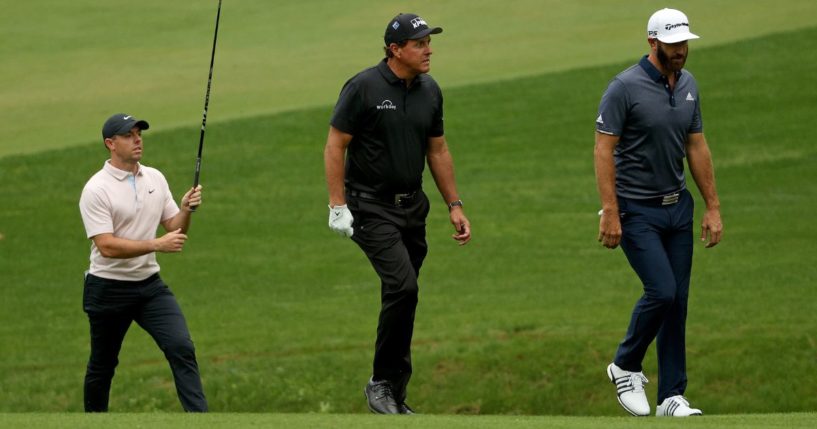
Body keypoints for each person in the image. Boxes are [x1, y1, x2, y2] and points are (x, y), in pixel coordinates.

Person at [323, 13, 471, 414]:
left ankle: (394, 392)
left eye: (428, 42)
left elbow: (437, 150)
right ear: (395, 49)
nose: (428, 50)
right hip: (369, 206)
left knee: (404, 296)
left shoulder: (429, 90)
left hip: (413, 207)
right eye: (420, 43)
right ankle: (381, 384)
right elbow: (335, 144)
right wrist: (338, 205)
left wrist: (454, 205)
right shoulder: (363, 87)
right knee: (403, 287)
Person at [594, 8, 723, 417]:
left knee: (678, 301)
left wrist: (712, 207)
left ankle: (671, 396)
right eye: (672, 44)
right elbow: (603, 150)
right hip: (636, 211)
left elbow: (696, 145)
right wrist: (610, 212)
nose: (681, 50)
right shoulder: (624, 88)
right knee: (662, 291)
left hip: (677, 209)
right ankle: (625, 364)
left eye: (684, 42)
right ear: (653, 42)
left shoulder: (688, 85)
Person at [79, 113, 208, 412]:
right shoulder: (96, 189)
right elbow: (107, 246)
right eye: (128, 135)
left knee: (181, 347)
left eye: (139, 133)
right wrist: (156, 245)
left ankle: (201, 419)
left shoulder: (155, 178)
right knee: (103, 365)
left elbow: (174, 227)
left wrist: (187, 209)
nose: (137, 140)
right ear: (110, 144)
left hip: (149, 287)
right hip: (108, 288)